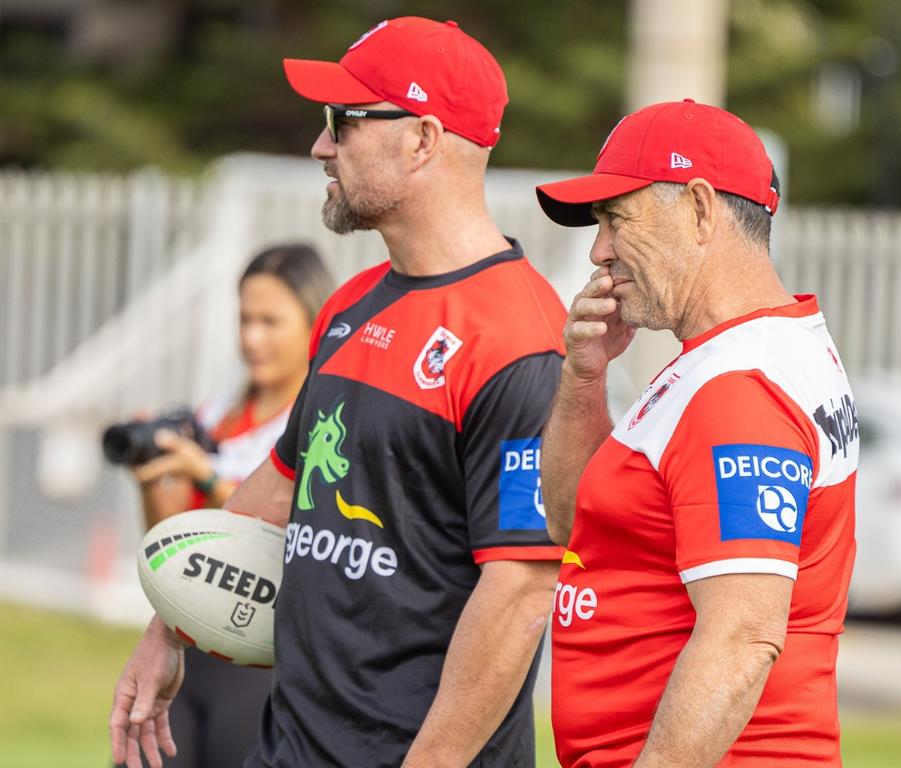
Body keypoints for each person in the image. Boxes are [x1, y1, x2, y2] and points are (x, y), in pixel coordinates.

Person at [110, 17, 567, 768]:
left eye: (345, 122)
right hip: (290, 747)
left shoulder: (520, 340)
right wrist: (168, 630)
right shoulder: (351, 304)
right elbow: (282, 484)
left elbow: (518, 593)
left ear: (422, 139)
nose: (322, 146)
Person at [535, 100, 859, 767]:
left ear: (701, 208)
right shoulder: (728, 359)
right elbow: (574, 530)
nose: (599, 249)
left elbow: (742, 635)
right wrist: (582, 379)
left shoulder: (740, 386)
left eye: (614, 217)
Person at [126, 243, 334, 767]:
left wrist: (210, 476)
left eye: (270, 321)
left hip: (265, 654)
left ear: (314, 323)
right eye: (244, 319)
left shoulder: (325, 416)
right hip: (188, 645)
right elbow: (174, 543)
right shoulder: (215, 413)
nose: (251, 338)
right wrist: (153, 478)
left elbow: (294, 514)